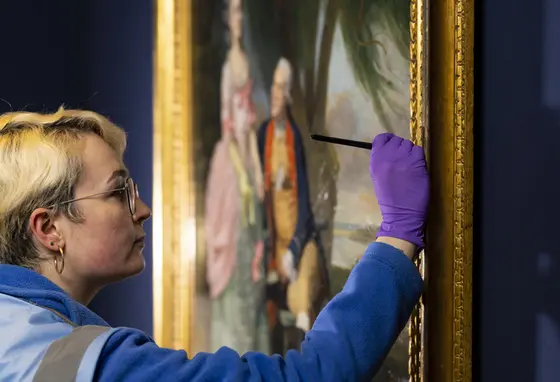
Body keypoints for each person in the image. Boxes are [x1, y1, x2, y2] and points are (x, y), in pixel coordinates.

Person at [0, 107, 429, 381]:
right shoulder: (80, 365)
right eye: (119, 193)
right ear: (48, 229)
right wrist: (397, 234)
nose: (144, 209)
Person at [204, 0, 268, 354]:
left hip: (245, 157)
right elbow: (231, 127)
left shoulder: (245, 63)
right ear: (228, 20)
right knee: (235, 243)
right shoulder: (230, 68)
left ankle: (253, 349)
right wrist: (243, 173)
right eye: (234, 12)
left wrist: (256, 171)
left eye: (242, 11)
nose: (239, 18)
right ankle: (235, 349)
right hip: (230, 163)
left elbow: (250, 129)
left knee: (252, 247)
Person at [257, 57, 328, 352]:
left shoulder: (296, 139)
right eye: (274, 85)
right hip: (275, 246)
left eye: (282, 88)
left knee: (301, 299)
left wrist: (294, 251)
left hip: (301, 240)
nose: (276, 93)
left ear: (288, 96)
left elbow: (306, 209)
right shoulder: (264, 134)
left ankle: (310, 363)